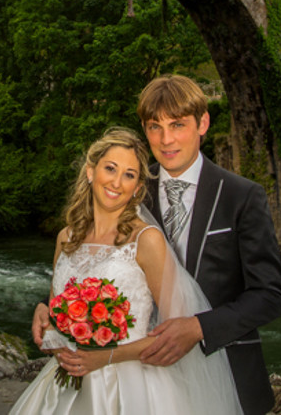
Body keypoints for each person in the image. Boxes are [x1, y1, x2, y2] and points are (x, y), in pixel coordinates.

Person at [13, 127, 240, 415]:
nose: (117, 182)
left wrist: (105, 357)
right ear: (90, 172)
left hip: (131, 387)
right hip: (65, 385)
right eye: (110, 168)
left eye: (129, 175)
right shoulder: (65, 238)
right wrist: (43, 314)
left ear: (137, 188)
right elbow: (59, 319)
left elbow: (175, 338)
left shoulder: (146, 241)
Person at [135, 74, 281, 415]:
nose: (166, 139)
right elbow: (99, 261)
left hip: (225, 368)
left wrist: (200, 327)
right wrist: (51, 304)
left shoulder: (242, 196)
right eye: (154, 127)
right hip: (142, 371)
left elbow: (271, 294)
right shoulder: (131, 190)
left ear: (202, 122)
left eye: (177, 124)